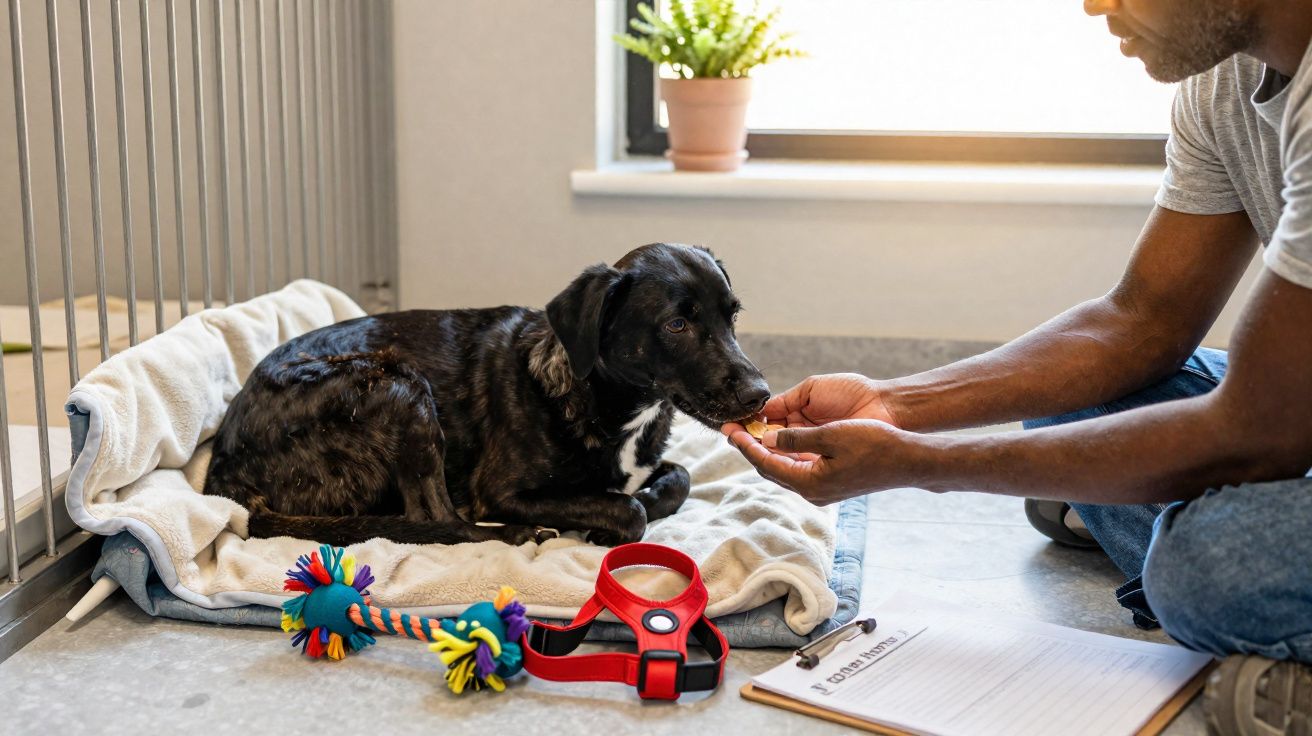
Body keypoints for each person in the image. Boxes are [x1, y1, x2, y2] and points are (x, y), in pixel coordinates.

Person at [723, 1, 1312, 733]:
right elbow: (1141, 321)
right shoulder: (1222, 80)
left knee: (1208, 567)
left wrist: (918, 464)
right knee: (1072, 404)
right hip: (1287, 409)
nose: (1094, 4)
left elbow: (1257, 431)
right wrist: (896, 402)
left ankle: (1182, 555)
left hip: (1274, 421)